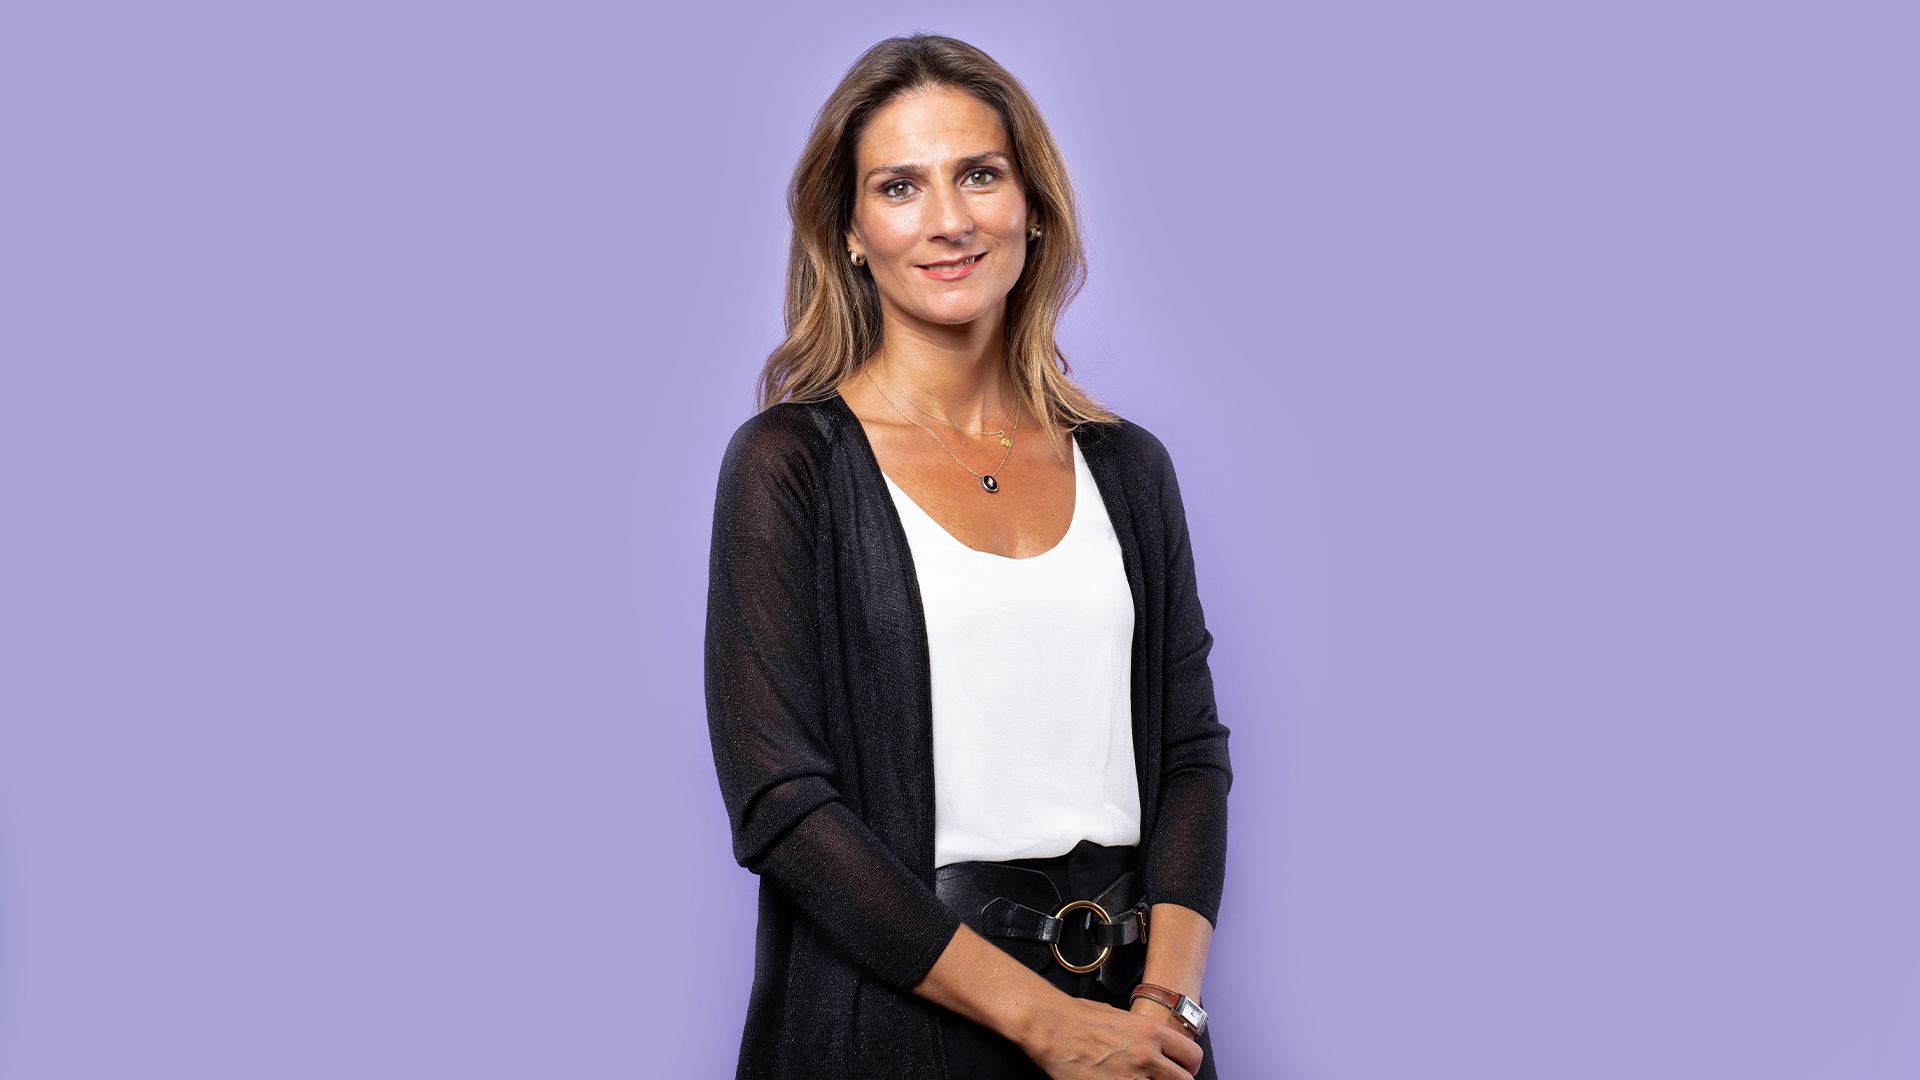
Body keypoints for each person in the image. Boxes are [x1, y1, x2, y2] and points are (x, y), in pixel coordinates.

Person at [705, 33, 1231, 1080]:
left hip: (1133, 1023)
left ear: (1031, 207)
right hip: (895, 1025)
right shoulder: (789, 466)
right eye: (900, 186)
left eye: (980, 175)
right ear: (850, 231)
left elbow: (1190, 757)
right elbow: (783, 806)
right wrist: (1046, 1025)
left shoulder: (1128, 468)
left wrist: (1162, 1014)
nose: (948, 219)